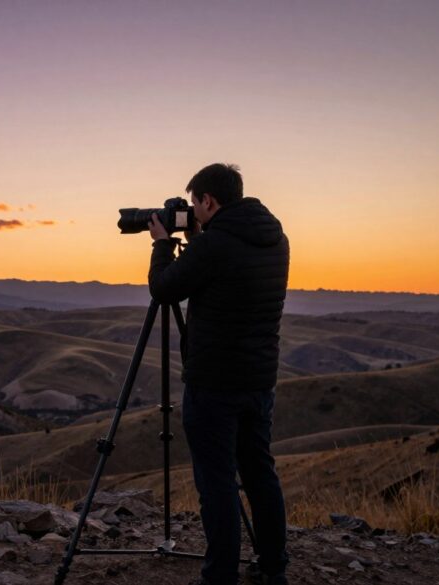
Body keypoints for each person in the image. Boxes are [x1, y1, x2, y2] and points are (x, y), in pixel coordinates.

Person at [147, 163, 290, 585]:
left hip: (214, 383)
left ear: (208, 200)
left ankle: (221, 575)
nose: (194, 211)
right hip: (259, 379)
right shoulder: (275, 238)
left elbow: (164, 288)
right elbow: (226, 272)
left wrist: (162, 244)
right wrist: (198, 238)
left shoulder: (215, 246)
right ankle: (272, 567)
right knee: (260, 473)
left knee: (217, 481)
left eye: (195, 204)